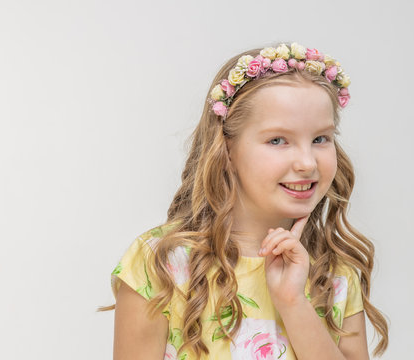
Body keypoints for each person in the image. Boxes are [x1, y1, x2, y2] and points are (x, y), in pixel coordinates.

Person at [98, 42, 389, 360]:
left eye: (320, 139)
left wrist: (294, 303)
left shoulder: (335, 274)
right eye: (278, 140)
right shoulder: (161, 266)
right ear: (226, 151)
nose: (307, 162)